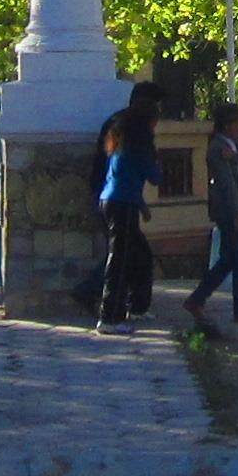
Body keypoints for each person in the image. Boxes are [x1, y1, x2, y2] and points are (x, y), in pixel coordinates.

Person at [81, 87, 158, 328]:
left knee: (139, 255)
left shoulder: (119, 142)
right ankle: (109, 316)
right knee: (120, 260)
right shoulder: (140, 146)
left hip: (111, 201)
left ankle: (136, 306)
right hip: (123, 205)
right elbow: (154, 176)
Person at [184, 100, 238, 330]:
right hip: (227, 210)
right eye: (237, 123)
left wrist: (235, 157)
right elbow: (226, 185)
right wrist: (236, 213)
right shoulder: (216, 148)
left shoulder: (235, 146)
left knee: (228, 261)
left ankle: (196, 300)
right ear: (226, 125)